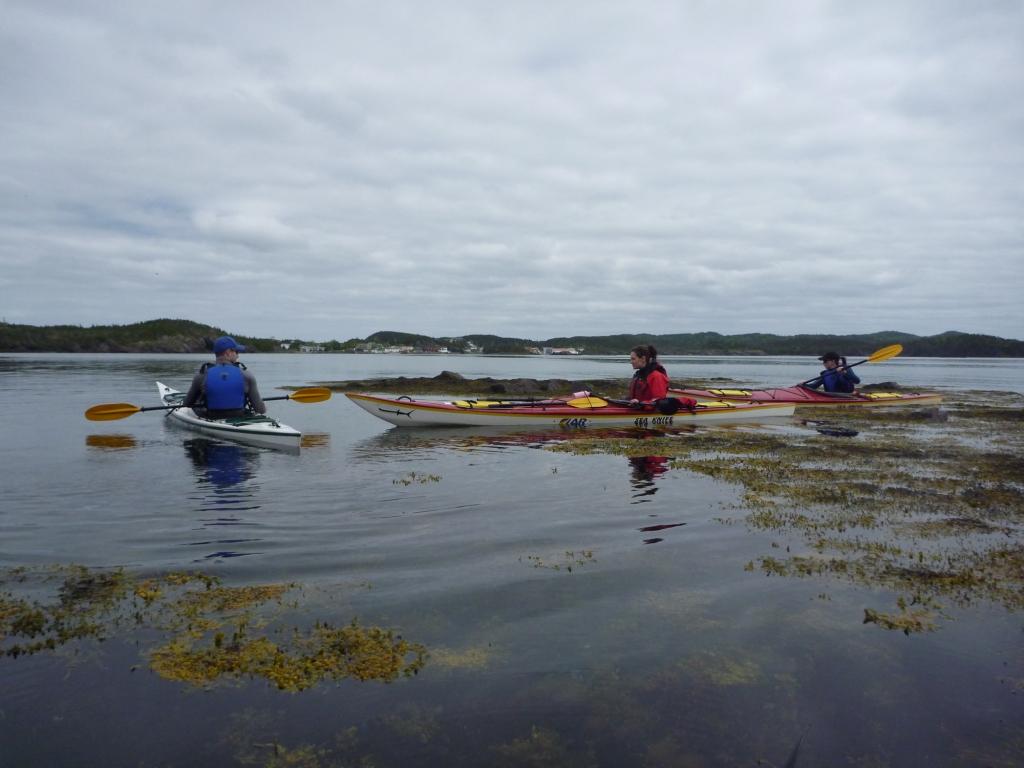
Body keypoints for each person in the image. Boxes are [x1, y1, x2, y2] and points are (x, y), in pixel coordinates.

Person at [183, 336, 266, 418]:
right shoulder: (247, 375)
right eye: (236, 352)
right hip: (238, 416)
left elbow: (187, 404)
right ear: (228, 352)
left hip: (211, 417)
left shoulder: (201, 375)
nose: (238, 356)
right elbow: (260, 410)